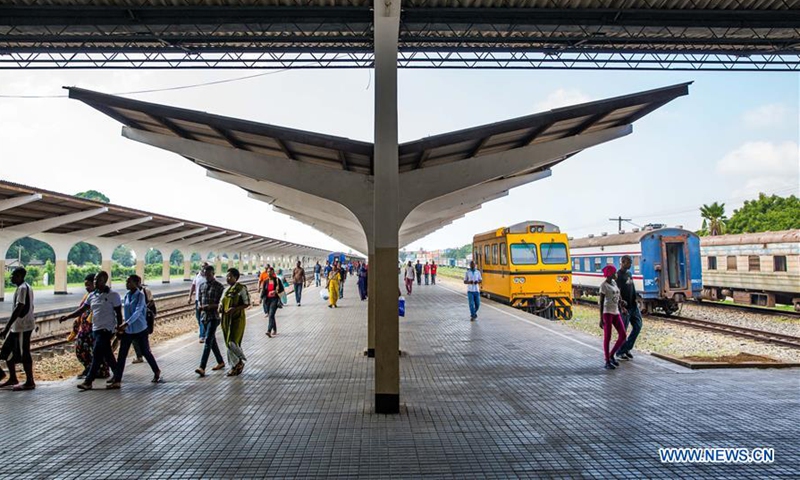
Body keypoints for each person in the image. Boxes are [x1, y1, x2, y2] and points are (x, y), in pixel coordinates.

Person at [60, 271, 122, 391]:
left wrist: (119, 329)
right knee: (108, 355)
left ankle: (88, 381)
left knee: (97, 354)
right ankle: (117, 378)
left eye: (98, 280)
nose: (95, 282)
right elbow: (82, 309)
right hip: (96, 329)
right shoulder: (92, 295)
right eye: (94, 280)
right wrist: (68, 317)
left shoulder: (113, 295)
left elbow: (118, 314)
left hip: (106, 329)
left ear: (104, 281)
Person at [108, 275, 161, 389]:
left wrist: (126, 324)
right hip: (128, 330)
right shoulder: (127, 295)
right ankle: (117, 380)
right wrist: (124, 324)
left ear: (137, 283)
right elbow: (126, 312)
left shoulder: (140, 296)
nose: (127, 284)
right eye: (126, 282)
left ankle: (156, 371)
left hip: (140, 329)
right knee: (122, 355)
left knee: (145, 352)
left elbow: (138, 312)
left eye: (129, 282)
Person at [60, 273, 109, 380]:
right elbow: (82, 309)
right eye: (85, 285)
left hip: (96, 328)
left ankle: (100, 372)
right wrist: (69, 317)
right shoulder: (89, 296)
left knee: (98, 352)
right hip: (86, 328)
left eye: (89, 285)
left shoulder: (104, 295)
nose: (87, 287)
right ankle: (90, 369)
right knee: (81, 350)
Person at [0, 268, 36, 391]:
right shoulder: (26, 287)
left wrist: (7, 327)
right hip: (18, 326)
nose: (11, 277)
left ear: (20, 276)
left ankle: (30, 381)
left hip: (22, 326)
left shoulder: (22, 288)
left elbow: (19, 307)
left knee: (24, 352)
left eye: (13, 275)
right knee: (6, 350)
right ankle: (13, 378)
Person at [195, 265, 226, 377]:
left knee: (208, 340)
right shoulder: (202, 286)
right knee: (212, 341)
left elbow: (222, 304)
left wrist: (210, 306)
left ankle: (202, 367)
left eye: (209, 274)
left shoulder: (219, 287)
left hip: (214, 317)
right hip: (204, 317)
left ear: (213, 274)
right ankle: (220, 362)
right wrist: (200, 307)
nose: (207, 276)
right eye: (205, 275)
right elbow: (199, 300)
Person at [220, 268, 251, 376]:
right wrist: (220, 307)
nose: (227, 278)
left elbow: (247, 303)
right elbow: (221, 302)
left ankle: (238, 362)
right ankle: (235, 366)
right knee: (228, 342)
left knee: (232, 341)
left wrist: (234, 309)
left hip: (237, 319)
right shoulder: (226, 290)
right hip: (226, 319)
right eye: (227, 276)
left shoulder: (241, 288)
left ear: (236, 278)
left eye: (230, 276)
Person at [599, 265, 627, 370]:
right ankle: (607, 361)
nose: (616, 274)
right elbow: (601, 302)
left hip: (616, 312)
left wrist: (622, 305)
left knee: (623, 335)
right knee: (607, 337)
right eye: (615, 272)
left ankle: (611, 355)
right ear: (610, 274)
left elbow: (618, 296)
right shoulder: (604, 286)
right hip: (607, 313)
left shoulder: (614, 283)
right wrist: (601, 318)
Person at [616, 255, 641, 361]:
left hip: (633, 306)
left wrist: (636, 299)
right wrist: (621, 307)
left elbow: (632, 287)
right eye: (628, 262)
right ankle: (620, 352)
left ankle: (626, 348)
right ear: (622, 262)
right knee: (623, 330)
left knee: (638, 326)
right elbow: (617, 292)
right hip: (625, 308)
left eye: (631, 262)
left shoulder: (629, 274)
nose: (630, 264)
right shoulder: (618, 276)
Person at [188, 262, 209, 343]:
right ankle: (206, 331)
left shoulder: (208, 277)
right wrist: (189, 296)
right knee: (198, 317)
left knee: (202, 318)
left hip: (205, 301)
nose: (204, 268)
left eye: (205, 267)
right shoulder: (197, 276)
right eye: (203, 267)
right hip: (198, 300)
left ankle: (202, 336)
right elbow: (193, 286)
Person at [263, 267, 284, 336]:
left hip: (275, 299)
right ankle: (274, 329)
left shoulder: (277, 280)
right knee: (271, 315)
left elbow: (282, 289)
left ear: (273, 272)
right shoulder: (265, 281)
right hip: (267, 300)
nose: (269, 273)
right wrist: (261, 298)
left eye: (270, 271)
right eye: (268, 271)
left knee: (271, 314)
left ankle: (269, 330)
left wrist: (275, 291)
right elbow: (263, 291)